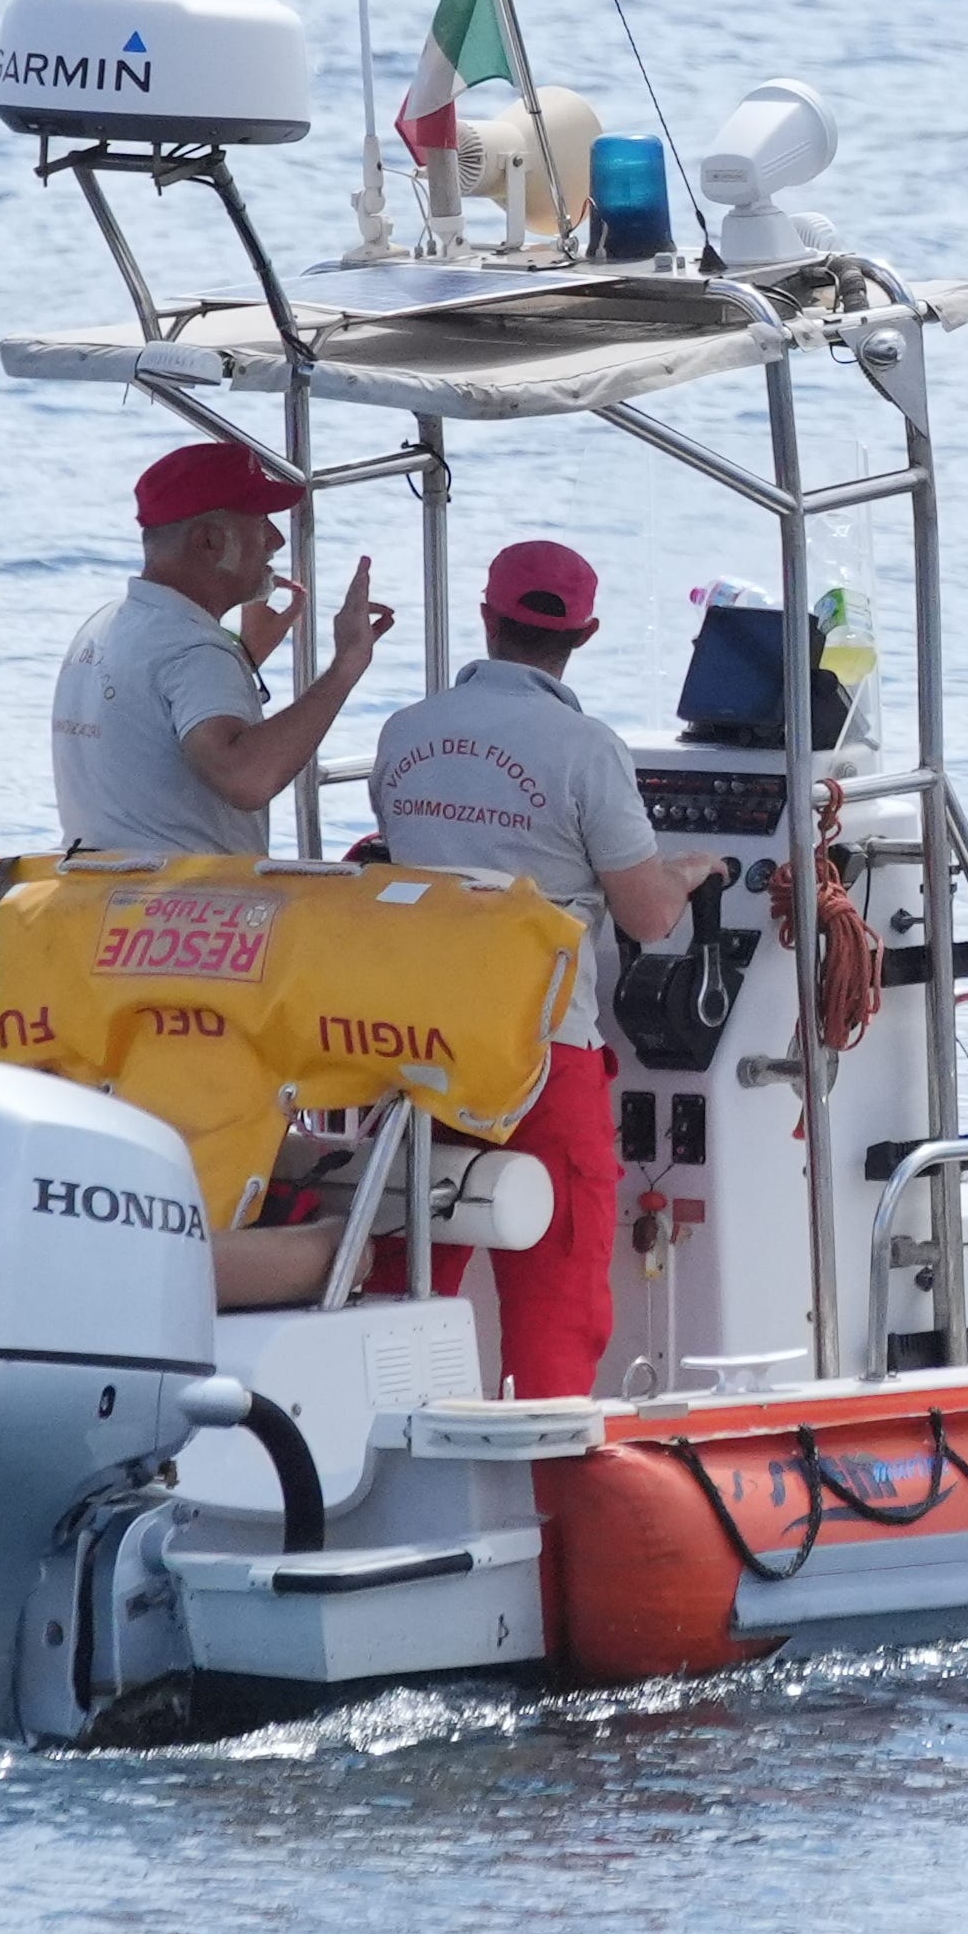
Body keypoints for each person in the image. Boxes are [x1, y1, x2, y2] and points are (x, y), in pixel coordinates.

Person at [365, 539, 718, 1403]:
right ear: (586, 635)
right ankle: (550, 1505)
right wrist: (688, 870)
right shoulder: (587, 751)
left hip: (418, 1051)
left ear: (487, 616)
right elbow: (646, 917)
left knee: (404, 1279)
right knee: (555, 1301)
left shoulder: (404, 733)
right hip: (543, 1053)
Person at [52, 439, 389, 861]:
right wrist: (346, 664)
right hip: (173, 913)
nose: (277, 540)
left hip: (95, 895)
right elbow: (246, 778)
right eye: (261, 520)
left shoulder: (103, 625)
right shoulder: (194, 651)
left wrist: (245, 657)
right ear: (210, 541)